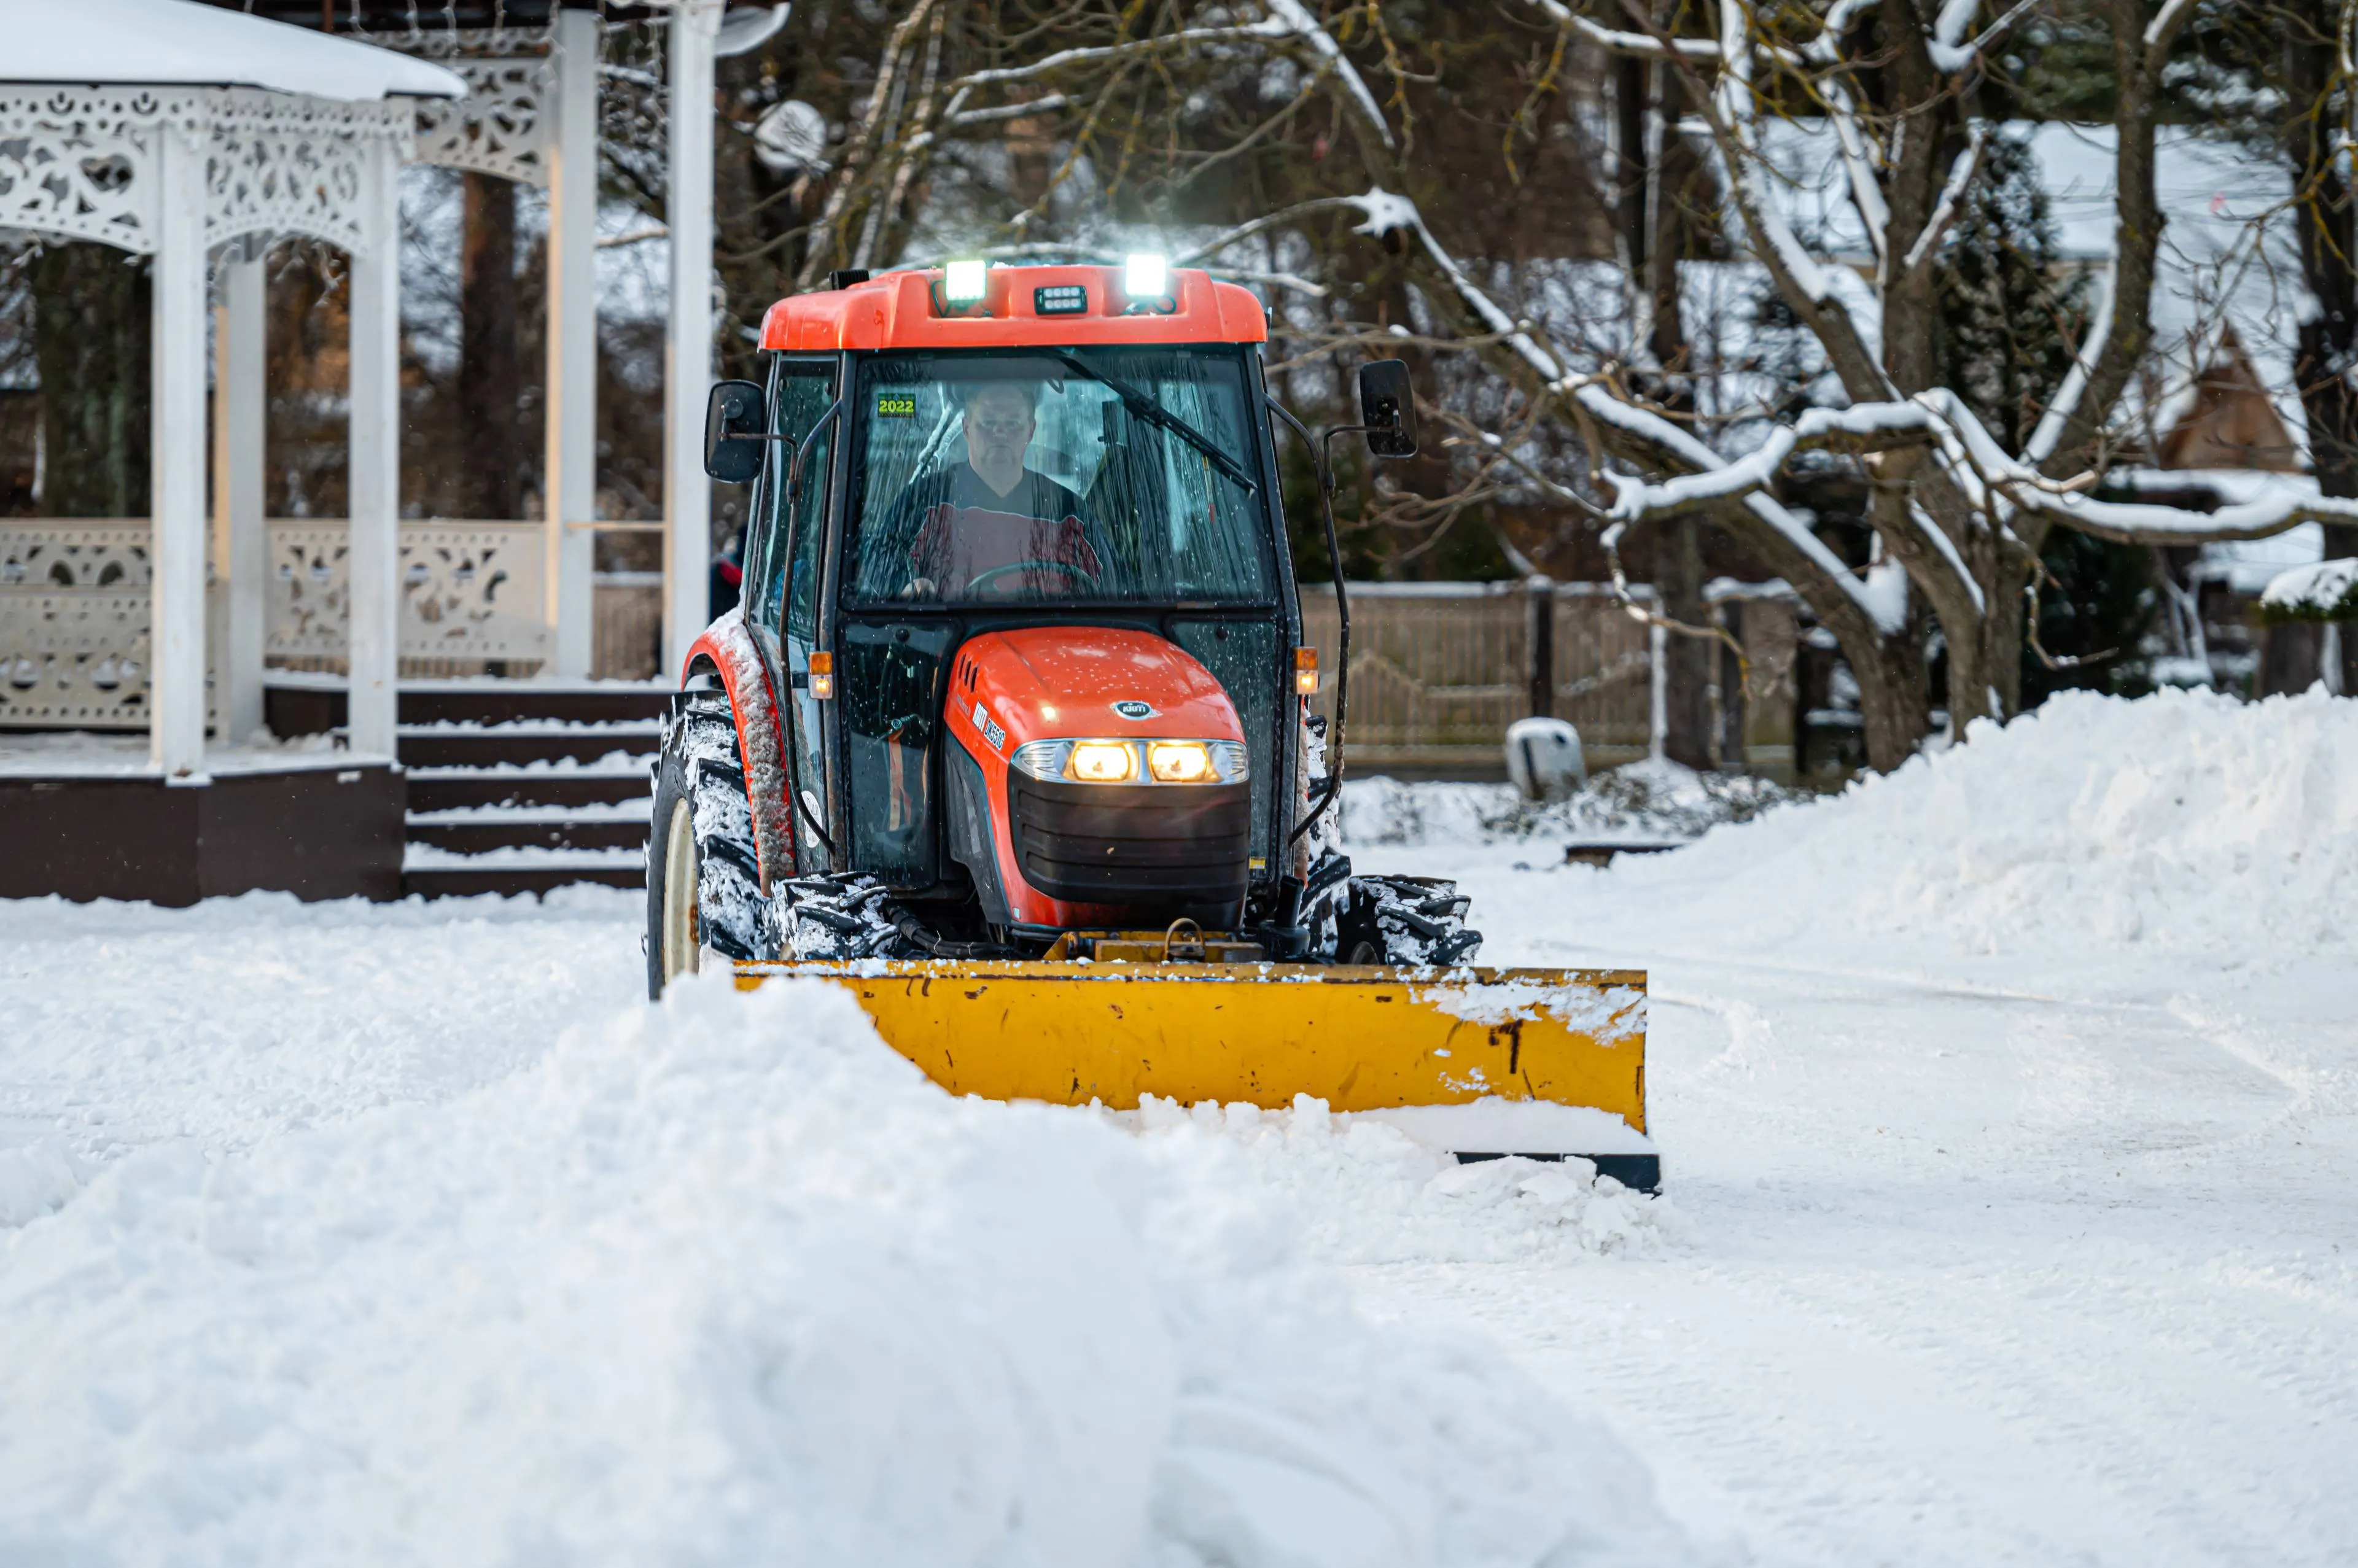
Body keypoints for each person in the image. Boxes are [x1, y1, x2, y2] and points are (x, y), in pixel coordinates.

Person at [871, 381, 1111, 600]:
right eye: (988, 422)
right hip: (946, 642)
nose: (1000, 433)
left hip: (1048, 642)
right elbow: (879, 568)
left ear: (1030, 430)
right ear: (966, 429)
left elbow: (1115, 587)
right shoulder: (923, 501)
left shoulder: (1069, 512)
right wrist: (906, 586)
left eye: (1012, 423)